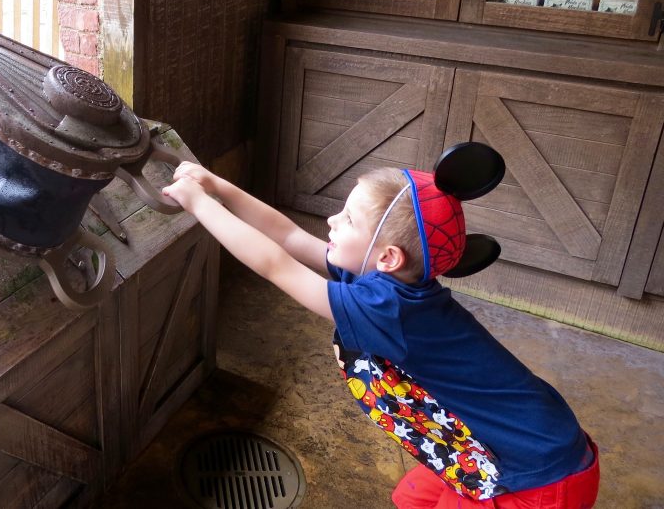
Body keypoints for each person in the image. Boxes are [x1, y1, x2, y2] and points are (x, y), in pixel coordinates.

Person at [162, 143, 599, 508]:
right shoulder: (391, 283)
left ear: (388, 256)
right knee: (410, 499)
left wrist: (198, 203)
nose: (333, 221)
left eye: (349, 220)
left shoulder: (385, 307)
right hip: (519, 439)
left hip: (537, 476)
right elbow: (289, 235)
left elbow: (275, 264)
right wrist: (216, 185)